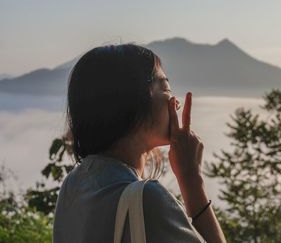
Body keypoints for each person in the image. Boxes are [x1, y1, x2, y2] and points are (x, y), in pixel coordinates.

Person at [52, 44, 226, 243]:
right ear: (135, 100)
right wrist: (191, 179)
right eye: (166, 87)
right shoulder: (146, 200)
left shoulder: (73, 186)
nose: (176, 102)